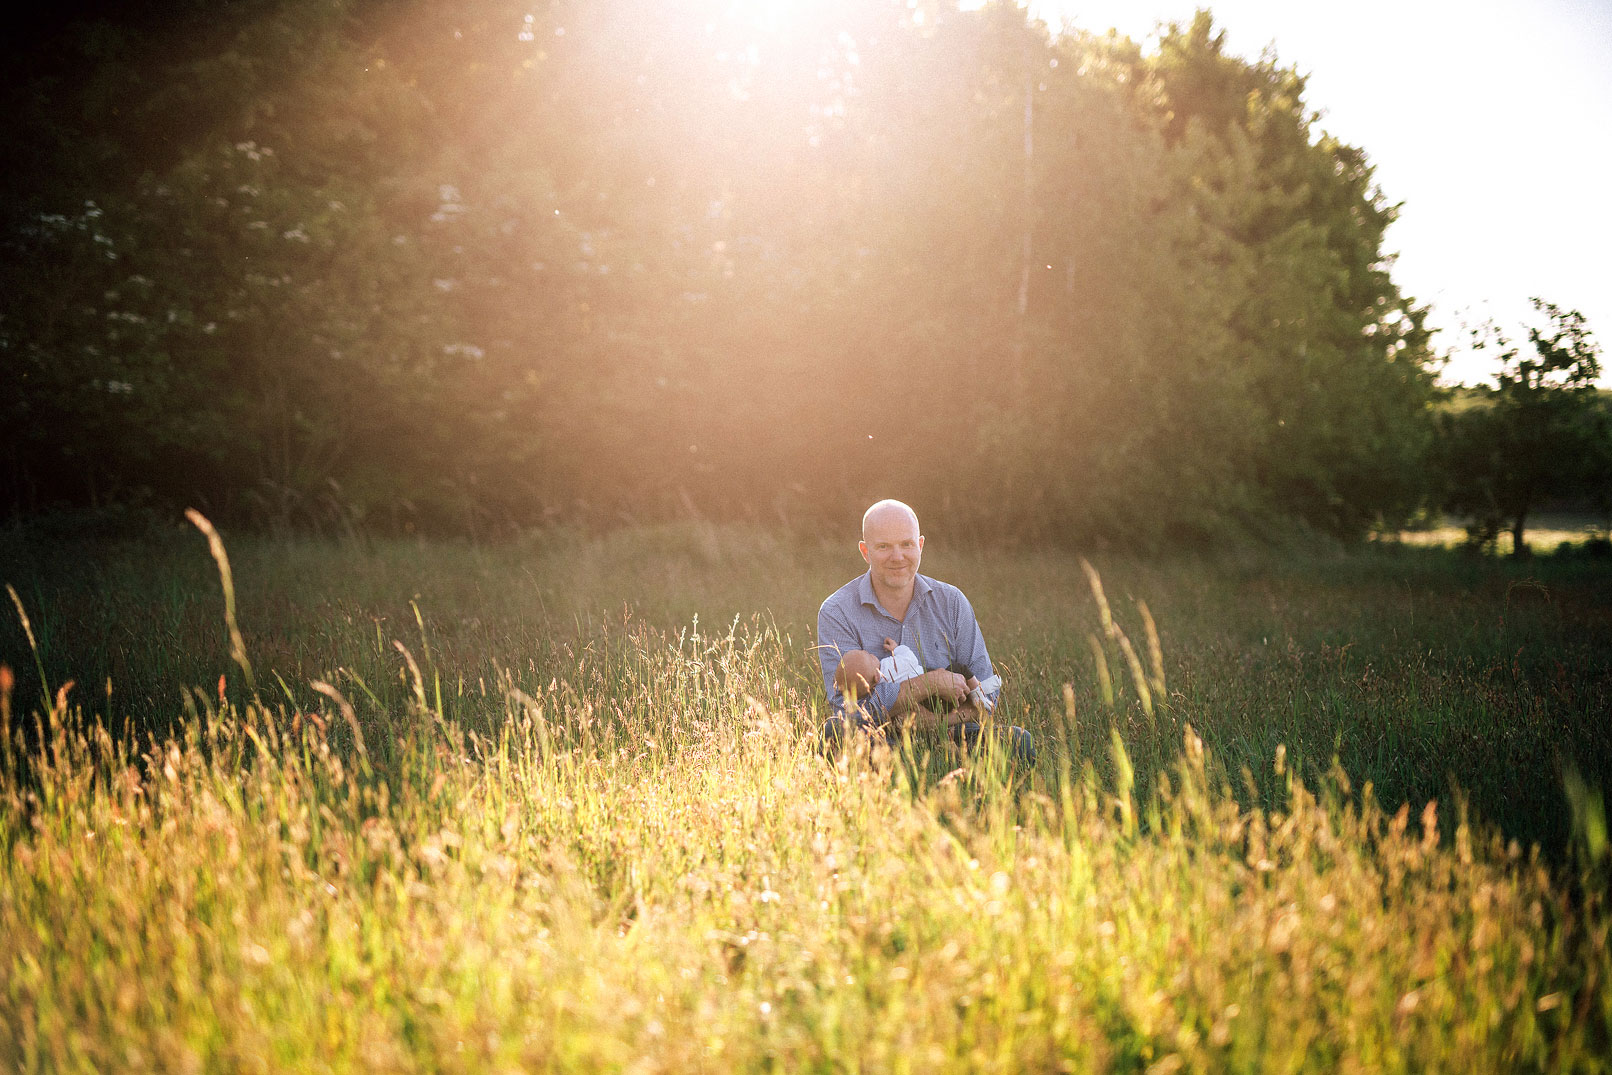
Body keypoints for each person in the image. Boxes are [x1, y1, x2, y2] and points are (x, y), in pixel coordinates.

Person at [817, 499, 1034, 762]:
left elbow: (988, 694)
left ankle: (939, 765)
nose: (897, 557)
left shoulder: (952, 602)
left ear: (920, 545)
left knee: (1018, 742)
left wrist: (940, 723)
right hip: (883, 738)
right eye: (884, 546)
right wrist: (928, 684)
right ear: (865, 551)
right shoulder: (837, 611)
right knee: (836, 734)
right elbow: (847, 710)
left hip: (956, 733)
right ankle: (927, 769)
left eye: (906, 544)